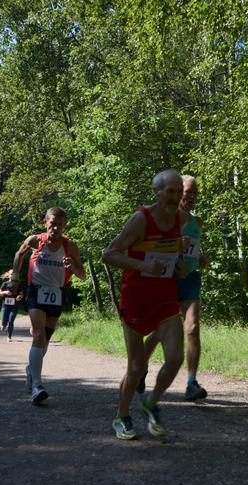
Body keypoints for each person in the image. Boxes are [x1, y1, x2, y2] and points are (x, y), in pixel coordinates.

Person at [102, 169, 189, 440]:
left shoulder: (181, 218)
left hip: (165, 298)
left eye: (179, 192)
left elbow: (175, 253)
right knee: (137, 367)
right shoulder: (141, 219)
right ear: (157, 192)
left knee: (175, 358)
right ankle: (121, 416)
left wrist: (182, 265)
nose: (175, 197)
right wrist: (144, 266)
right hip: (136, 299)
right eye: (170, 191)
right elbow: (109, 255)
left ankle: (151, 402)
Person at [139, 175, 209, 401]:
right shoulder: (167, 219)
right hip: (169, 278)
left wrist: (200, 257)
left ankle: (191, 383)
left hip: (190, 279)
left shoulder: (197, 221)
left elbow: (193, 247)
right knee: (160, 331)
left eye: (195, 192)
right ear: (178, 192)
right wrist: (178, 256)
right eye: (188, 191)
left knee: (193, 327)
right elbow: (159, 248)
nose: (192, 196)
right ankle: (140, 366)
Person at [10, 207, 86, 405]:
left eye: (60, 225)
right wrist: (14, 278)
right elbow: (19, 254)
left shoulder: (71, 246)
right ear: (45, 222)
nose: (56, 228)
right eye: (53, 223)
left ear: (65, 226)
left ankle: (31, 369)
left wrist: (72, 267)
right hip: (36, 291)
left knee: (45, 341)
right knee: (39, 335)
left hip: (57, 294)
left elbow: (82, 275)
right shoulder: (35, 240)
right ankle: (37, 386)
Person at [0, 270, 24, 342]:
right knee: (4, 322)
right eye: (11, 274)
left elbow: (21, 294)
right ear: (8, 275)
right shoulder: (5, 283)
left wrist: (19, 296)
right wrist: (5, 292)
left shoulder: (18, 284)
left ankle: (9, 337)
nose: (13, 275)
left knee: (11, 321)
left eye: (14, 274)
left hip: (14, 305)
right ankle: (3, 325)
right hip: (5, 305)